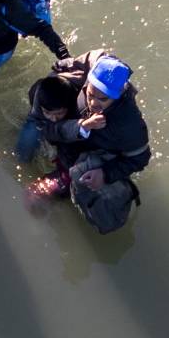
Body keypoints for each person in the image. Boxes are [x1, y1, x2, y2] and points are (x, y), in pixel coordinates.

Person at [33, 51, 151, 233]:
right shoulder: (97, 64)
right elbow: (84, 59)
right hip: (69, 137)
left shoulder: (129, 124)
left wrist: (105, 174)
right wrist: (61, 65)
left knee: (34, 195)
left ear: (119, 92)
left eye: (103, 99)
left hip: (90, 159)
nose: (94, 103)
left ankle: (72, 181)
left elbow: (140, 158)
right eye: (90, 94)